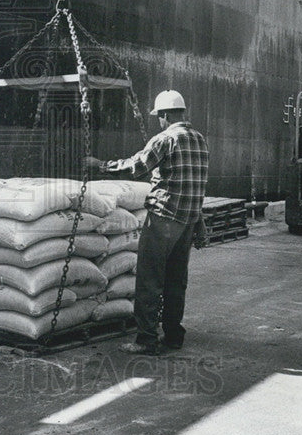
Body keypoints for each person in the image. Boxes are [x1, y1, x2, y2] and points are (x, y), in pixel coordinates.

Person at [85, 90, 209, 356]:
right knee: (176, 281)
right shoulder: (200, 140)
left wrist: (101, 165)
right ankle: (174, 335)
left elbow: (136, 167)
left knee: (149, 280)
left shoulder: (166, 139)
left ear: (164, 115)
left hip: (164, 219)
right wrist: (198, 222)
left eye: (159, 117)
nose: (159, 121)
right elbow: (198, 186)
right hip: (187, 221)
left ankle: (146, 340)